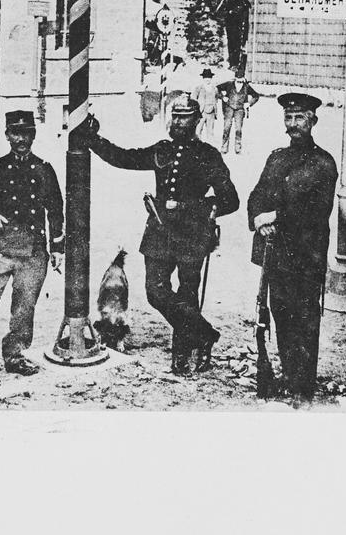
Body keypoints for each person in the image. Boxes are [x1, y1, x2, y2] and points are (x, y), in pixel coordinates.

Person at [86, 94, 239, 375]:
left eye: (185, 117)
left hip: (193, 236)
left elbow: (230, 199)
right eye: (175, 116)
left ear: (197, 119)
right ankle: (205, 334)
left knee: (187, 294)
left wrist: (190, 207)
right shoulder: (162, 150)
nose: (179, 122)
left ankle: (181, 356)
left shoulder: (208, 155)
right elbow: (124, 158)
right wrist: (93, 139)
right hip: (159, 232)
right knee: (155, 292)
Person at [0, 111, 65, 392]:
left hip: (32, 251)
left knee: (23, 308)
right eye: (15, 133)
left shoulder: (44, 169)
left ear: (33, 136)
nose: (21, 139)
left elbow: (55, 210)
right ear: (7, 135)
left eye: (26, 133)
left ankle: (15, 355)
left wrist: (57, 248)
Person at [246, 92, 339, 403]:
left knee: (305, 319)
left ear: (313, 120)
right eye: (289, 117)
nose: (293, 124)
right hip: (276, 254)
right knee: (280, 314)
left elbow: (315, 211)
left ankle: (304, 386)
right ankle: (289, 374)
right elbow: (257, 193)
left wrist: (278, 218)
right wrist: (258, 217)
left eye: (300, 118)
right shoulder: (276, 158)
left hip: (306, 256)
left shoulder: (324, 163)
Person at [217, 68, 261, 155]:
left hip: (240, 110)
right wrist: (222, 97)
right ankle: (224, 147)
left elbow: (256, 96)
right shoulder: (229, 84)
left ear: (243, 79)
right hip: (229, 108)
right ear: (235, 79)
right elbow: (217, 89)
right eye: (237, 80)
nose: (239, 82)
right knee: (226, 127)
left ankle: (238, 148)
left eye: (241, 80)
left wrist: (249, 103)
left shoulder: (246, 87)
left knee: (238, 128)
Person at [193, 67, 219, 142]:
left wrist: (213, 107)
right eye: (206, 77)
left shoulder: (215, 88)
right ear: (203, 78)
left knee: (210, 131)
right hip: (201, 112)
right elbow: (194, 99)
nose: (207, 79)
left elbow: (216, 98)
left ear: (211, 78)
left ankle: (209, 149)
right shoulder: (198, 88)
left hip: (211, 112)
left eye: (209, 77)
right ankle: (197, 148)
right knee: (198, 130)